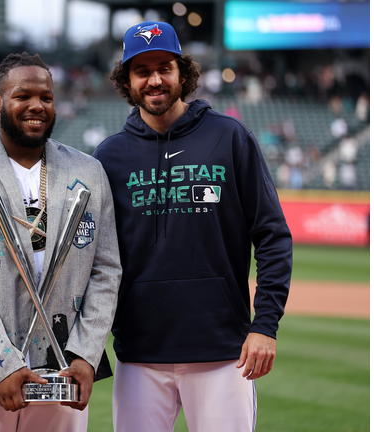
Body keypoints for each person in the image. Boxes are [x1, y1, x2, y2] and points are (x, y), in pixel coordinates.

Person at [92, 22, 293, 432]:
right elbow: (93, 257)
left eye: (164, 68)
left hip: (223, 352)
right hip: (140, 355)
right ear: (127, 82)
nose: (154, 80)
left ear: (182, 74)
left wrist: (265, 326)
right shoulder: (108, 156)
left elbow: (272, 236)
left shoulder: (230, 137)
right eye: (142, 71)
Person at [0, 52, 122, 432]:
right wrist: (2, 363)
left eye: (46, 97)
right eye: (23, 96)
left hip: (64, 369)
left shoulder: (89, 172)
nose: (37, 105)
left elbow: (106, 270)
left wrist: (86, 353)